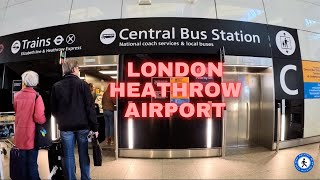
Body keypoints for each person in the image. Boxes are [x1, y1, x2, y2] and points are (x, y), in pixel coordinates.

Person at [51, 59, 99, 180]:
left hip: (65, 127)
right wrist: (95, 127)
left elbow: (53, 110)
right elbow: (90, 108)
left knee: (68, 156)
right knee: (83, 154)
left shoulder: (56, 86)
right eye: (78, 68)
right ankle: (86, 178)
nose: (79, 70)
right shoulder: (83, 85)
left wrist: (61, 120)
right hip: (83, 126)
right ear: (73, 69)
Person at [14, 70, 46, 180]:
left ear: (24, 81)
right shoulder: (37, 97)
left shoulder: (17, 96)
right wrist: (44, 120)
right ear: (35, 82)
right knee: (32, 164)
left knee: (21, 164)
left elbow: (16, 111)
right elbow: (39, 118)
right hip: (31, 136)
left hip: (19, 135)